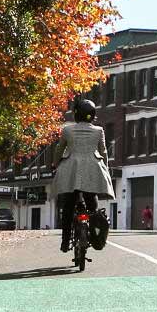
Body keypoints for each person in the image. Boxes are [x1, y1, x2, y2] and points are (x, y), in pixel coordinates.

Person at [51, 97, 114, 253]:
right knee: (92, 204)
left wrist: (56, 163)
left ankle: (65, 241)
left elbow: (59, 150)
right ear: (93, 115)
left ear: (76, 114)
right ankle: (95, 235)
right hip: (92, 169)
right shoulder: (99, 131)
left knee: (68, 206)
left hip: (71, 170)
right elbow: (103, 152)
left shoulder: (67, 130)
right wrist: (105, 167)